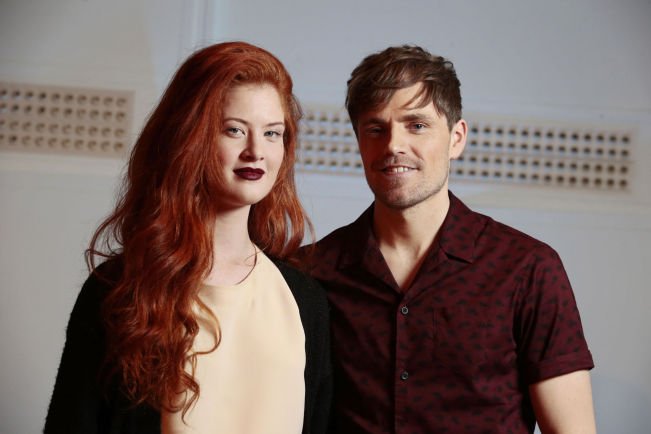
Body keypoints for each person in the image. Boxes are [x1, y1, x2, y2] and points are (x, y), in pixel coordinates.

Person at [303, 45, 595, 433]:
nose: (393, 145)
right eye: (375, 129)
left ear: (456, 138)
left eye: (416, 125)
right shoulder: (311, 273)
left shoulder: (527, 269)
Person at [44, 41, 331, 434]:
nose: (256, 151)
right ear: (189, 137)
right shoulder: (119, 290)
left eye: (272, 133)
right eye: (234, 130)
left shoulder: (304, 300)